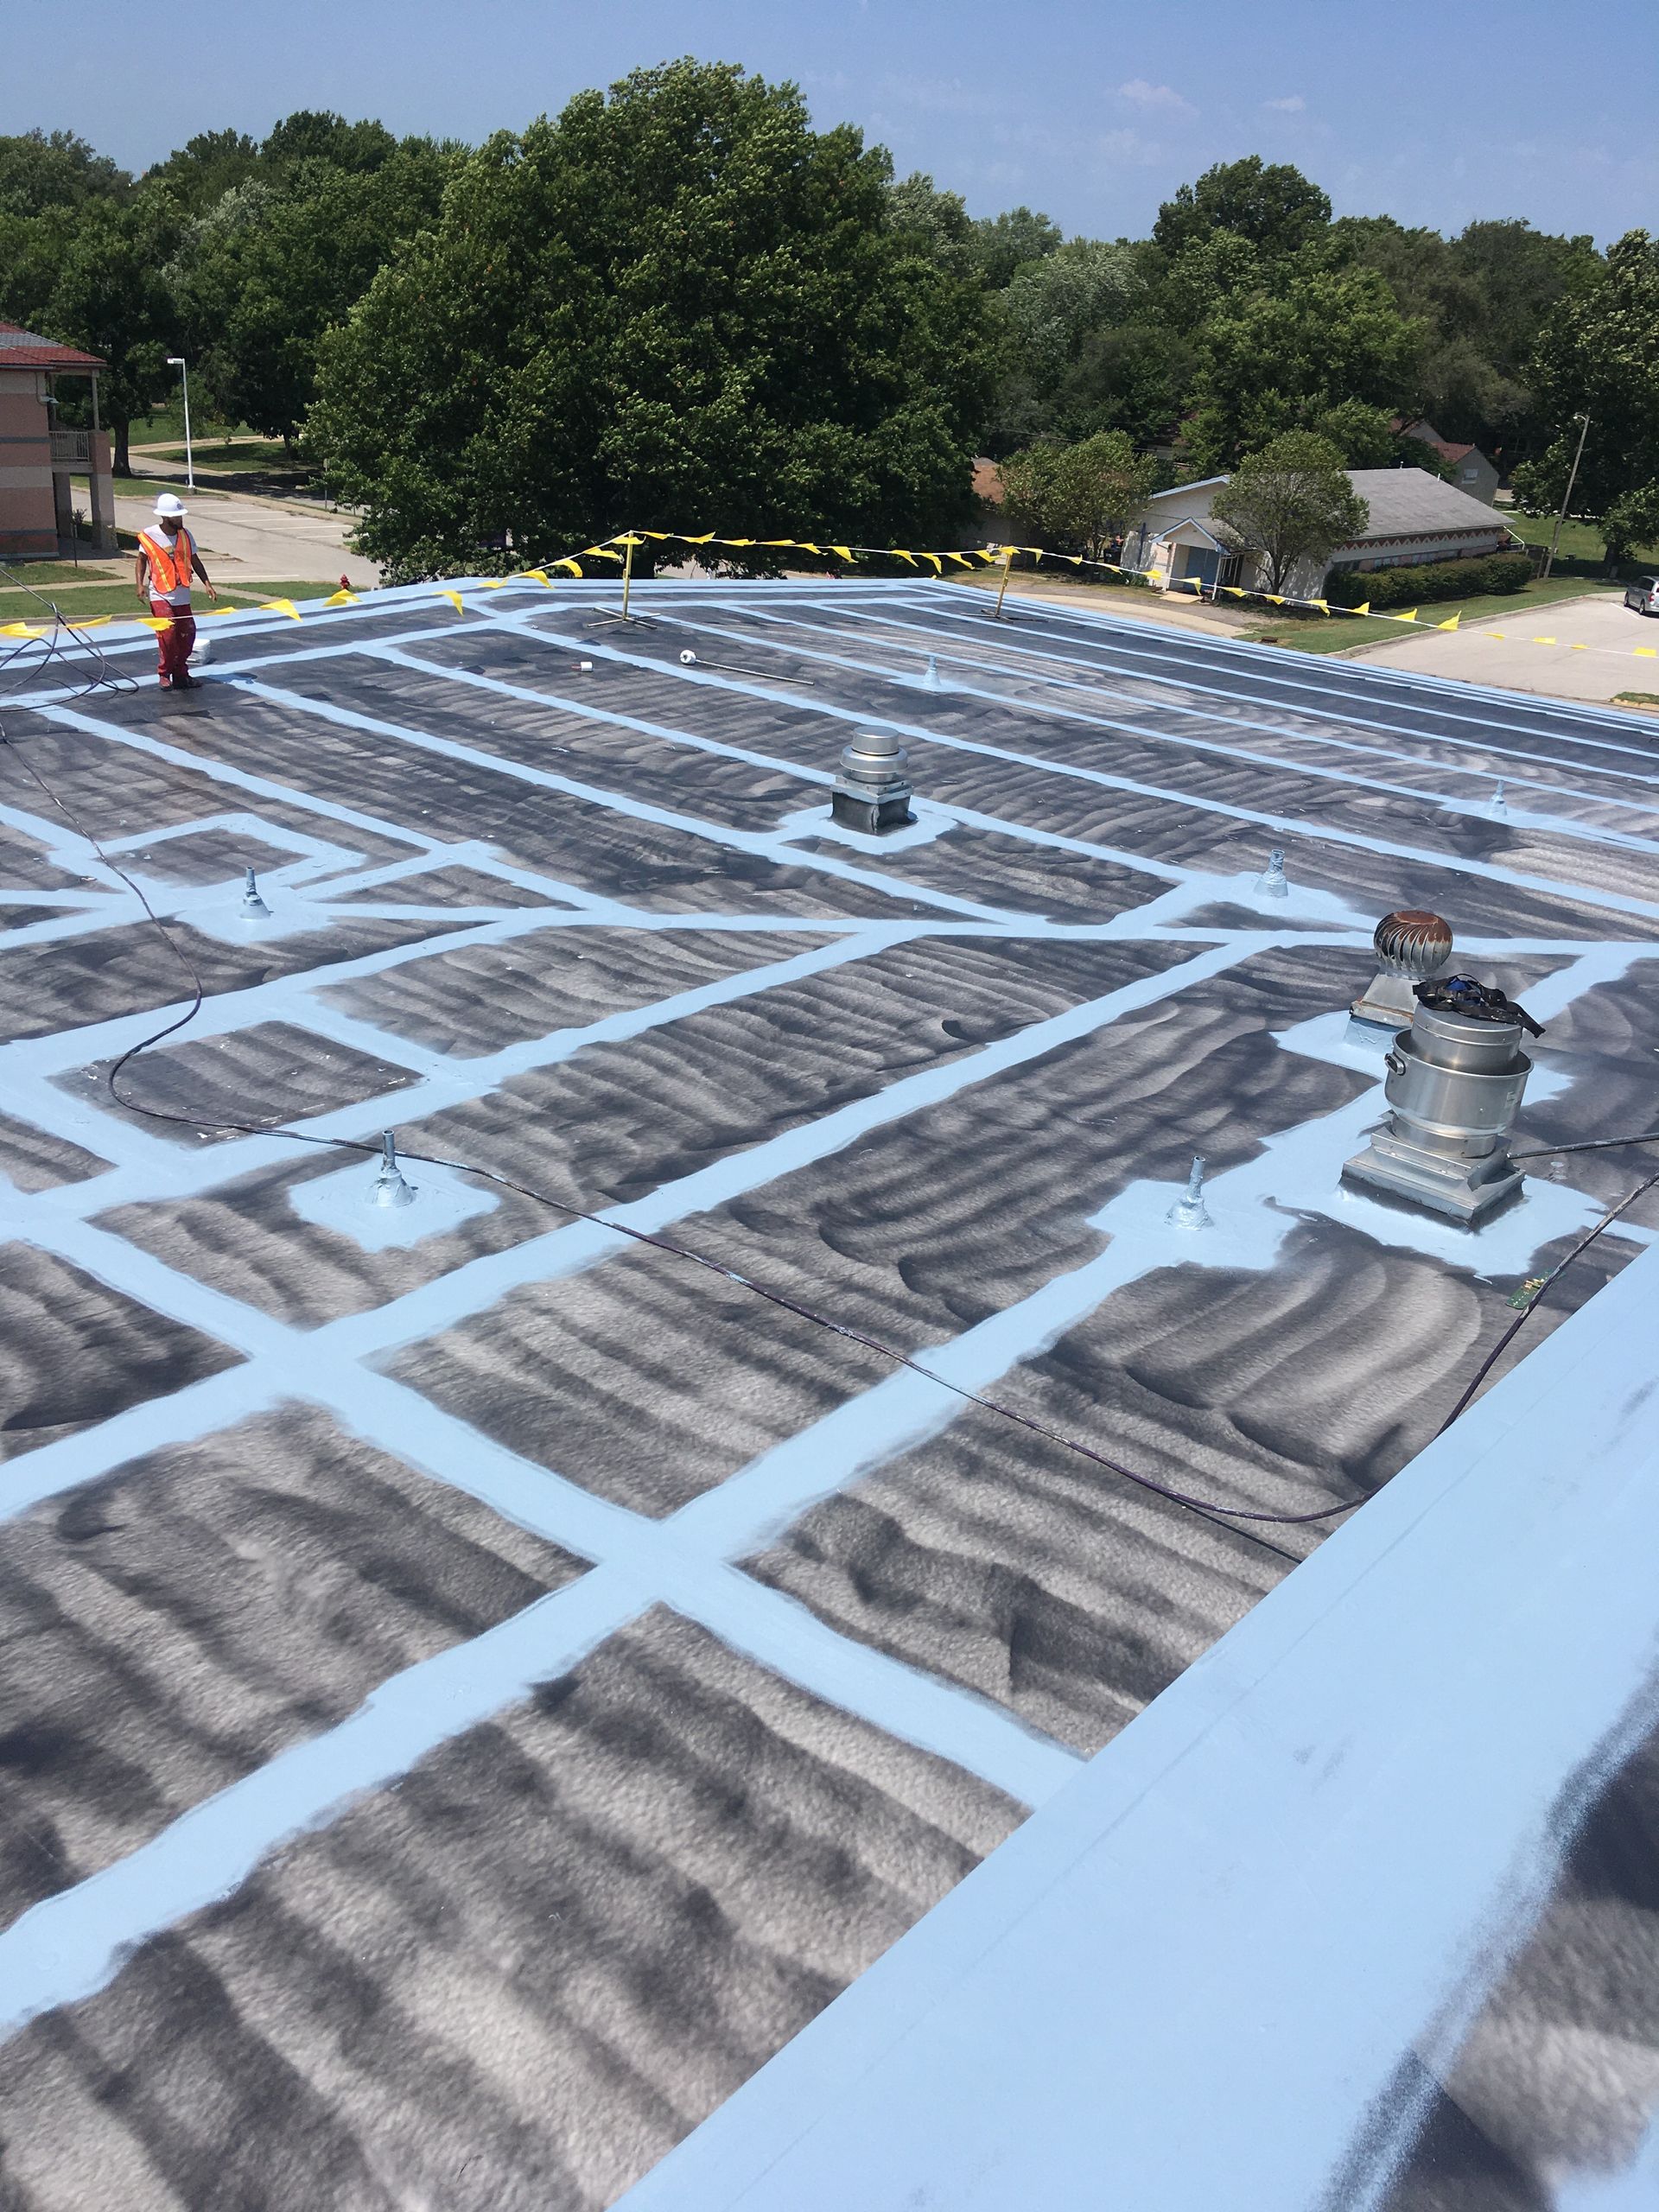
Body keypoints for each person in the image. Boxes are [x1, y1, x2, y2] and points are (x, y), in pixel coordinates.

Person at [134, 493, 216, 689]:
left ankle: (181, 672)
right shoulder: (150, 536)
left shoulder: (186, 535)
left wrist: (207, 583)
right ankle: (164, 672)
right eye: (176, 516)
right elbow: (141, 560)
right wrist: (139, 585)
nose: (180, 519)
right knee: (168, 634)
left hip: (181, 594)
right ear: (164, 516)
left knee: (188, 634)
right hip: (159, 593)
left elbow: (195, 560)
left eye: (181, 515)